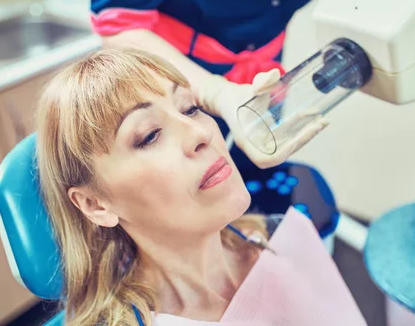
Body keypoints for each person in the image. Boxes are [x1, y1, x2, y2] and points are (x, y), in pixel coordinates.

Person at [35, 49, 365, 326]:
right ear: (96, 204)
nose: (200, 133)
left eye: (190, 108)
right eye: (150, 135)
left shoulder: (284, 238)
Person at [87, 0, 370, 171]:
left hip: (262, 77)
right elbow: (122, 28)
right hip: (170, 81)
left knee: (247, 197)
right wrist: (217, 93)